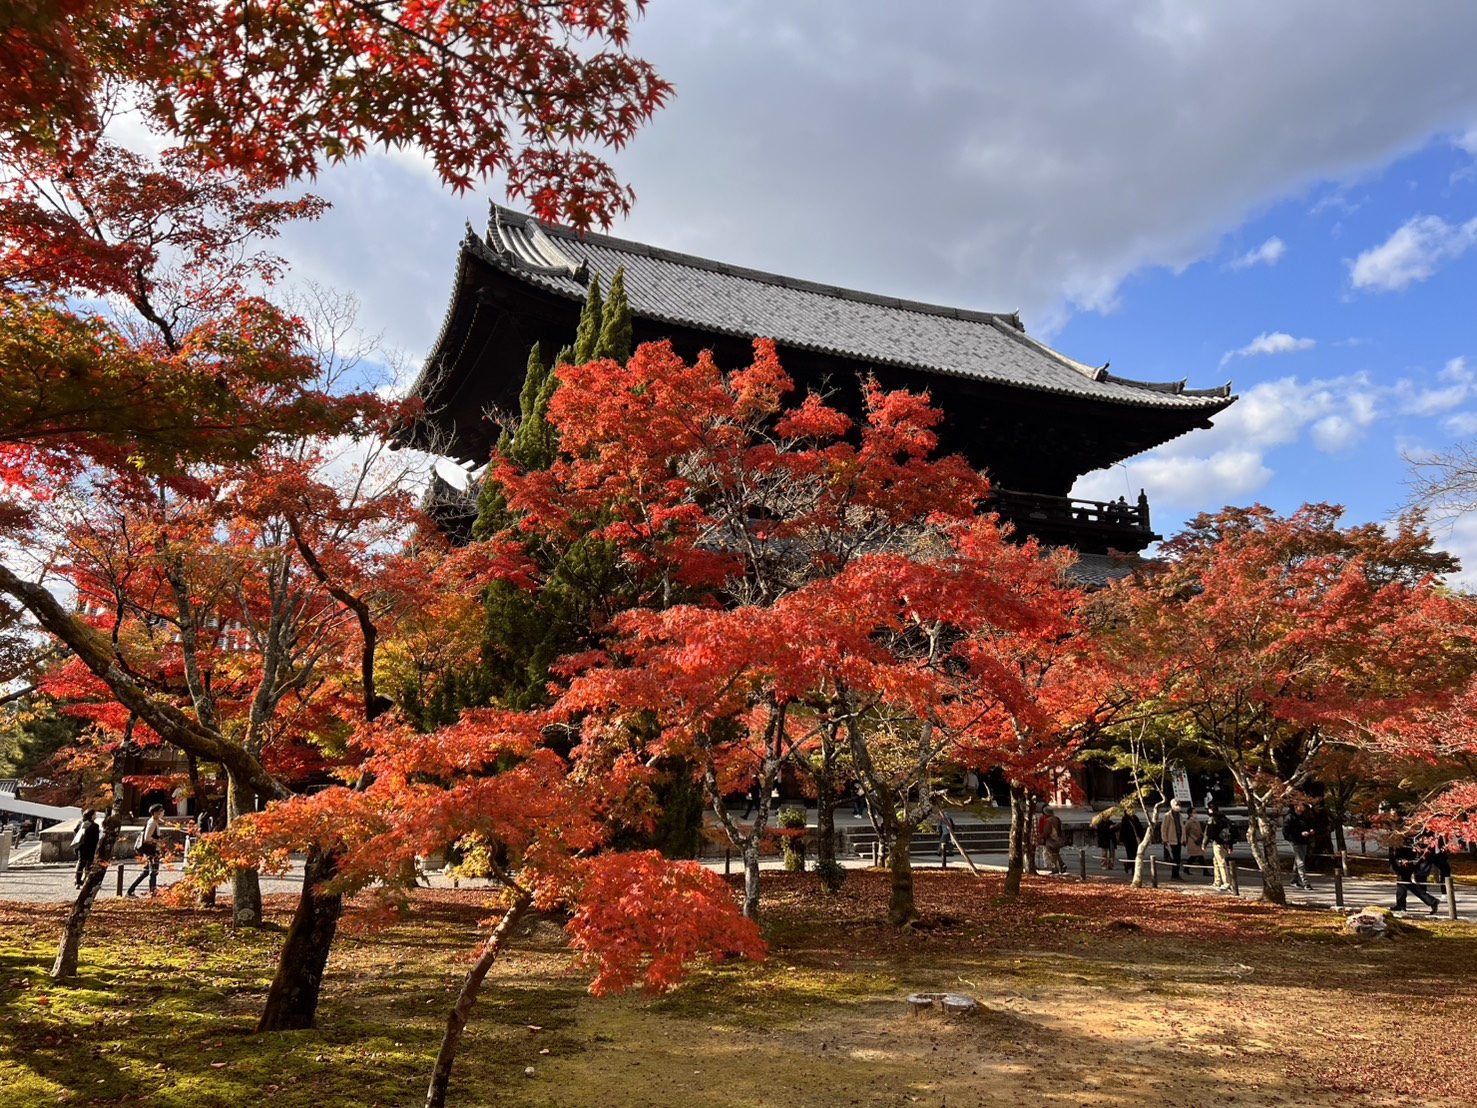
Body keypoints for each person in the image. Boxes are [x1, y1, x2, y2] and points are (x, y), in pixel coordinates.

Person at [1389, 827, 1440, 914]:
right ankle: (1401, 904)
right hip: (1402, 859)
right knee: (1402, 882)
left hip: (1405, 860)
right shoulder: (1400, 829)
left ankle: (1431, 900)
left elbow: (1406, 848)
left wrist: (1402, 860)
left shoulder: (1406, 831)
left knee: (1405, 882)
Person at [128, 803, 166, 897]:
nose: (163, 812)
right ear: (156, 813)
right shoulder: (152, 822)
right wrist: (158, 841)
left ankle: (132, 890)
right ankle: (152, 892)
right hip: (151, 850)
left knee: (147, 872)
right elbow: (147, 837)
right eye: (161, 811)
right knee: (153, 871)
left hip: (151, 850)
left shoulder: (155, 821)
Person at [1282, 801, 1315, 889]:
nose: (1303, 807)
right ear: (1296, 807)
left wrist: (1310, 830)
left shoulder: (1304, 817)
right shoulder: (1290, 817)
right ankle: (1306, 882)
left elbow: (1308, 825)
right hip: (1295, 841)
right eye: (1301, 805)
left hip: (1304, 841)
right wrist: (1300, 833)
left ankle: (1294, 880)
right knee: (1300, 862)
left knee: (1299, 861)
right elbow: (1287, 831)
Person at [1204, 802, 1234, 891]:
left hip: (1217, 843)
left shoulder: (1213, 819)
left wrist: (1204, 844)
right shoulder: (1224, 818)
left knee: (1221, 862)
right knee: (1216, 861)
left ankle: (1226, 882)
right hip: (1225, 842)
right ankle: (1217, 880)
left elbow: (1208, 833)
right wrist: (1230, 845)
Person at [1159, 799, 1189, 881]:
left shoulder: (1180, 816)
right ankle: (1174, 875)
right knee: (1174, 858)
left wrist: (1184, 839)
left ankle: (1176, 874)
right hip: (1171, 840)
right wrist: (1165, 839)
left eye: (1179, 804)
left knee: (1178, 858)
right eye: (1176, 804)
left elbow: (1182, 828)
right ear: (1172, 805)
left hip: (1178, 840)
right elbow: (1164, 828)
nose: (1178, 806)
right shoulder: (1168, 816)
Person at [72, 809, 101, 888]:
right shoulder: (95, 826)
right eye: (95, 814)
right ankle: (86, 881)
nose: (96, 816)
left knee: (81, 863)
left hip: (81, 846)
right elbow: (96, 839)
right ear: (92, 816)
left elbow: (75, 831)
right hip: (91, 847)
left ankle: (77, 881)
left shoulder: (81, 823)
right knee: (89, 864)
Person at [1038, 805, 1066, 876]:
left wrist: (1040, 837)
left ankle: (1054, 868)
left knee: (1052, 854)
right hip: (1059, 839)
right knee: (1056, 853)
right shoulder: (1057, 819)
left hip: (1052, 840)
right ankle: (1062, 864)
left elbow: (1046, 832)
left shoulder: (1048, 821)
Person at [1118, 806, 1143, 875]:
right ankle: (1131, 868)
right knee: (1130, 855)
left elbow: (1139, 828)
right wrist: (1121, 840)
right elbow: (1122, 830)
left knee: (1136, 854)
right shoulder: (1125, 819)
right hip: (1128, 840)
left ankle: (1129, 866)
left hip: (1136, 839)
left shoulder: (1135, 818)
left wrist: (1142, 837)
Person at [1184, 805, 1206, 876]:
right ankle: (1205, 871)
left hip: (1198, 840)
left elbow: (1199, 831)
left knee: (1197, 856)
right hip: (1192, 841)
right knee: (1198, 855)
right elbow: (1185, 831)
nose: (1196, 814)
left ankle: (1186, 868)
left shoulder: (1197, 822)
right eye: (1194, 812)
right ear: (1190, 814)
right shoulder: (1189, 822)